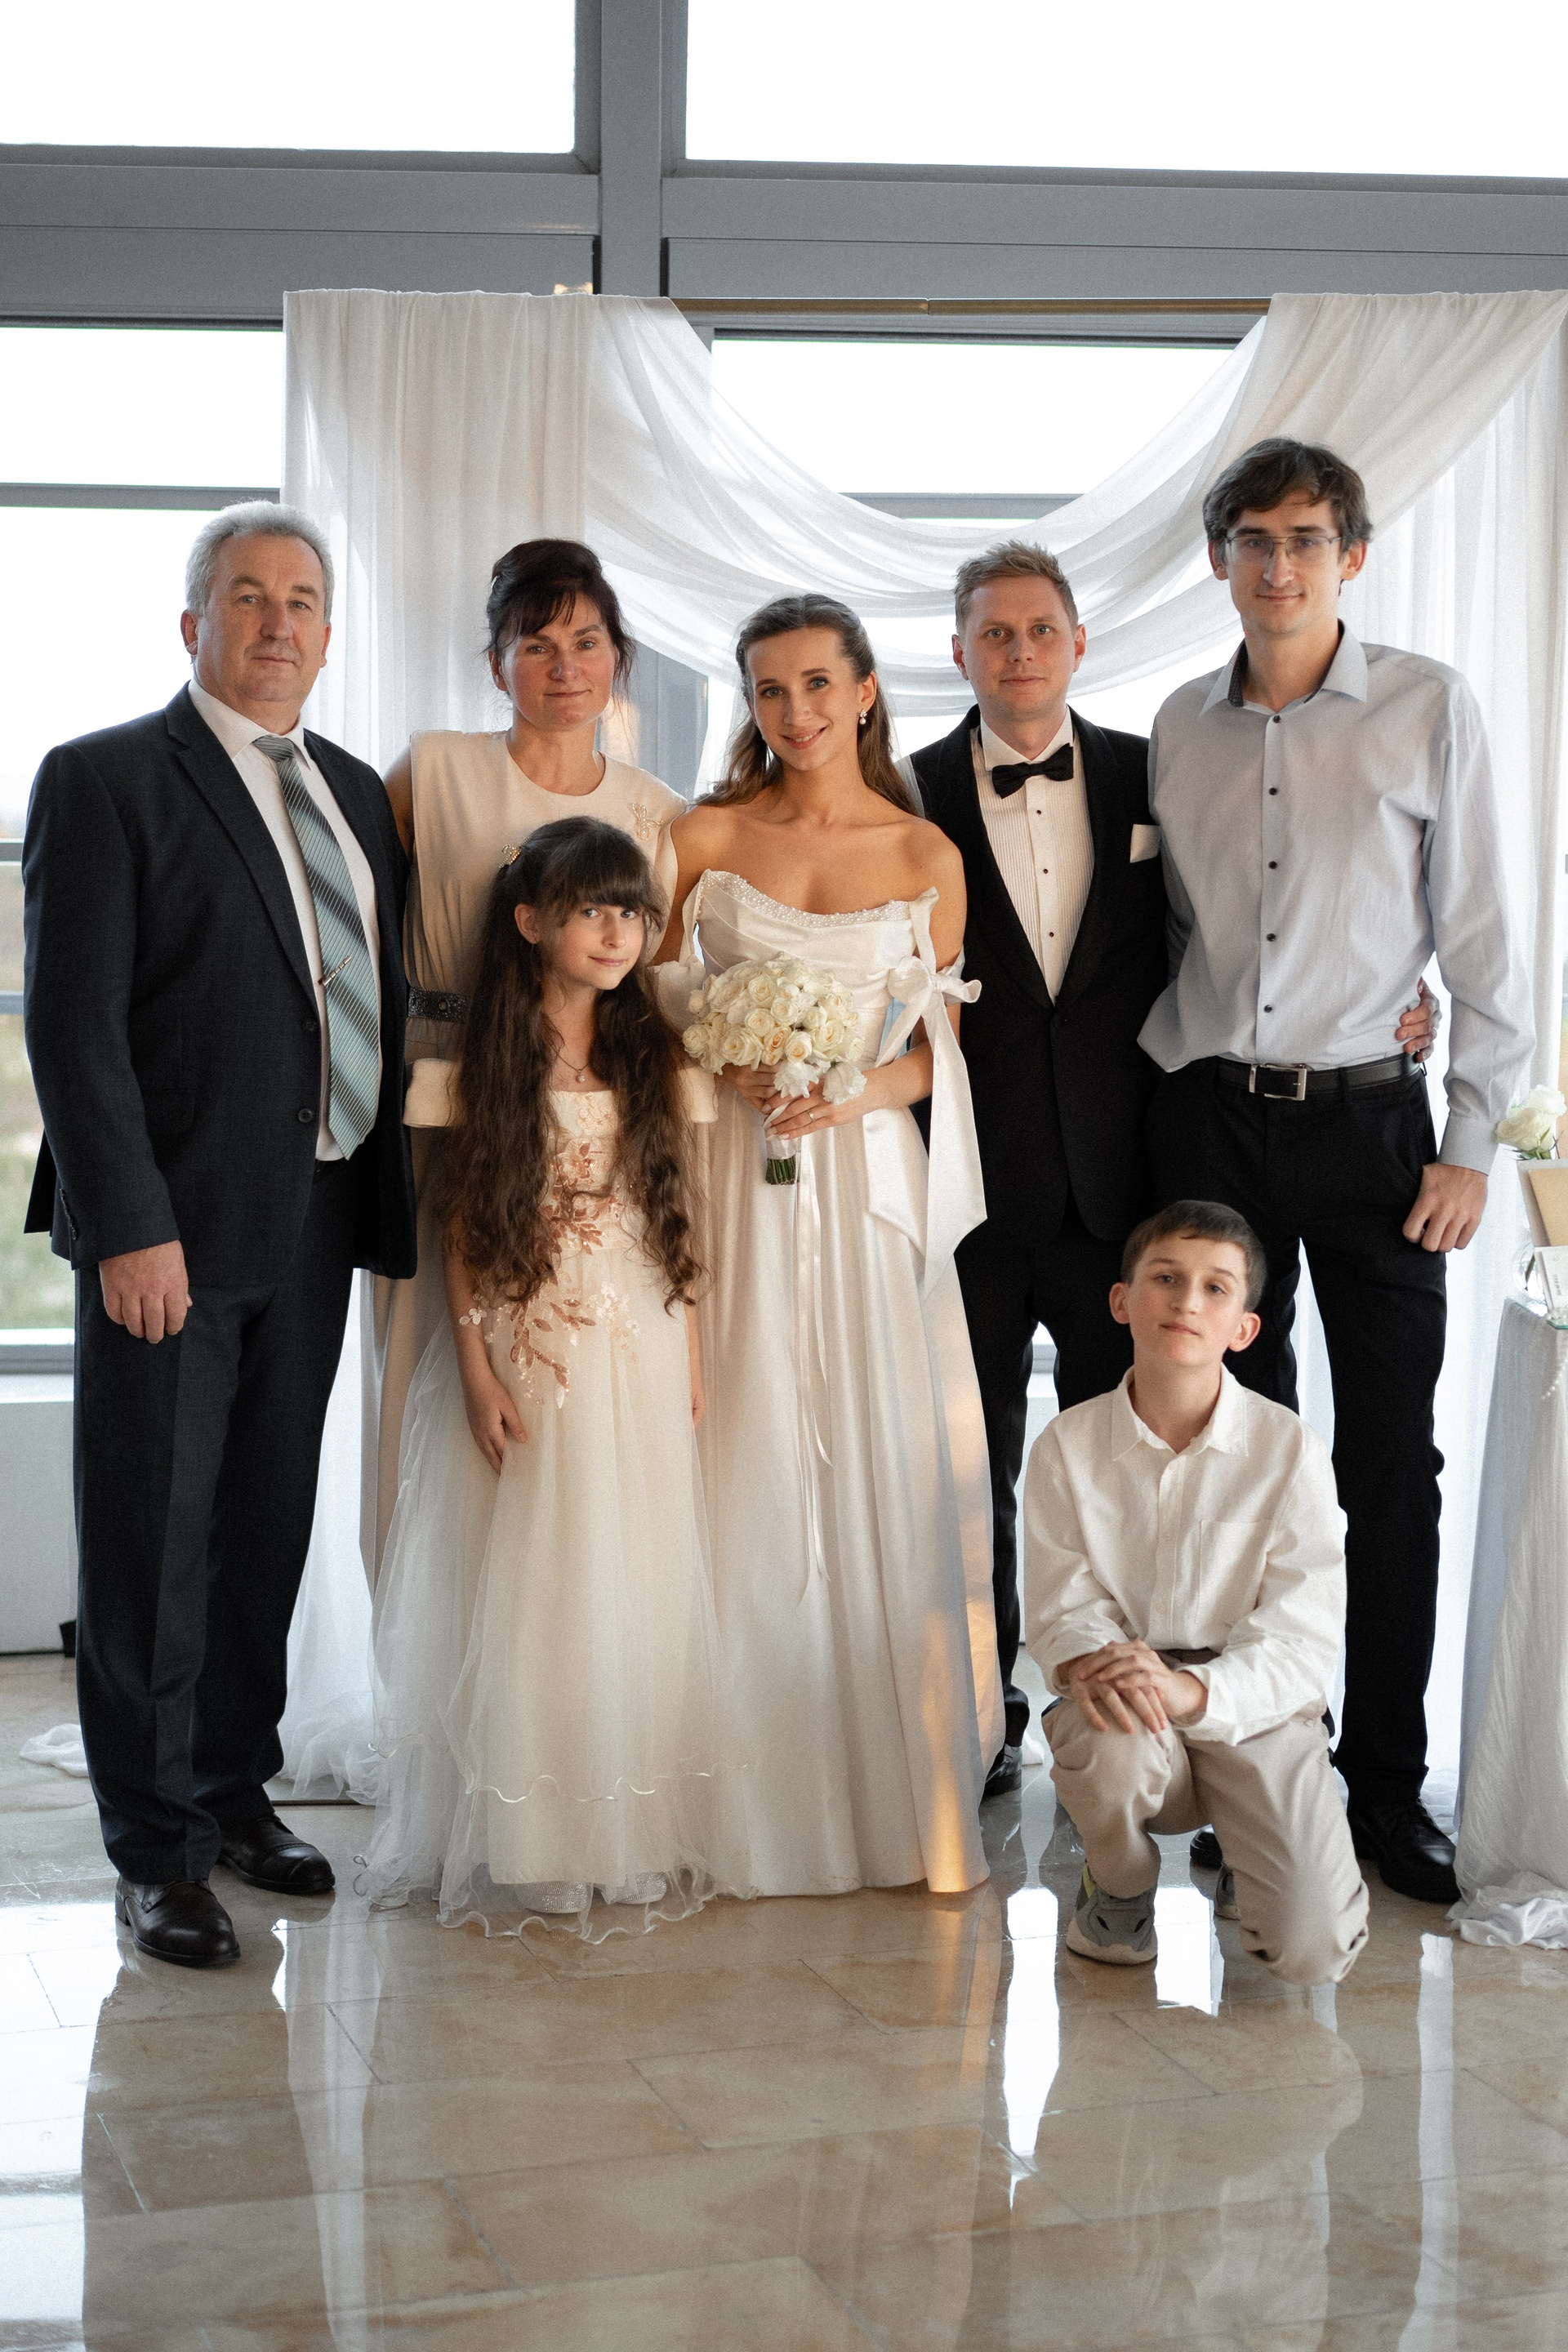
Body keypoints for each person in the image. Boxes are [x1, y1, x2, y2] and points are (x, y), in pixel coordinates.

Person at [908, 541, 1437, 1804]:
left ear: (1079, 643)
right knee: (964, 1473)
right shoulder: (905, 789)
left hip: (1129, 1194)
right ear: (958, 650)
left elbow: (1253, 917)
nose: (1019, 652)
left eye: (1041, 629)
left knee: (1151, 1483)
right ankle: (983, 1725)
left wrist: (1388, 998)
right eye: (994, 633)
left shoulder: (1157, 765)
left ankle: (1188, 1733)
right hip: (967, 1191)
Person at [22, 502, 416, 1969]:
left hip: (317, 1217)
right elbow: (74, 1027)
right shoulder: (106, 777)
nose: (276, 622)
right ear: (194, 624)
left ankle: (234, 1793)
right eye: (247, 597)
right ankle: (156, 1851)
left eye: (301, 600)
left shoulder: (356, 792)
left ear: (329, 631)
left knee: (263, 1526)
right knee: (151, 1541)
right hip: (169, 1239)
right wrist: (129, 1227)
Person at [1142, 437, 1534, 1905]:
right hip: (1214, 1132)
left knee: (1388, 1469)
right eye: (1254, 539)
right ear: (1220, 559)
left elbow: (1487, 943)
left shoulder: (1430, 706)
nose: (1281, 564)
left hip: (1377, 1139)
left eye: (1308, 538)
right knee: (1241, 1466)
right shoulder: (1179, 726)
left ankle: (1383, 1786)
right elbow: (1176, 935)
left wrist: (1471, 1145)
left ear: (1351, 556)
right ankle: (1265, 1775)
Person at [657, 593, 1003, 1897]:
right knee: (736, 1434)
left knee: (872, 1449)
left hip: (860, 1182)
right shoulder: (699, 837)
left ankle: (878, 1791)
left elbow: (936, 1056)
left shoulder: (925, 853)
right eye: (769, 689)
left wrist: (847, 1090)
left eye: (816, 684)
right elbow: (643, 1010)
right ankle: (729, 1799)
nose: (794, 712)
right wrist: (723, 1060)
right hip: (730, 1177)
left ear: (863, 690)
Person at [366, 818, 744, 1935]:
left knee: (630, 1573)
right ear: (531, 921)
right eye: (591, 910)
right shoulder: (491, 1056)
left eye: (632, 911)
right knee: (540, 1574)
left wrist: (686, 1358)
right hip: (532, 1338)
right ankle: (534, 1835)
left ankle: (623, 1829)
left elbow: (668, 1218)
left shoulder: (647, 1051)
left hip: (638, 1335)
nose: (618, 932)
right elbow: (462, 1226)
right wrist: (476, 1368)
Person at [365, 539, 684, 1578]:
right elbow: (352, 921)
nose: (563, 666)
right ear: (497, 661)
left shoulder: (656, 809)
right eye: (535, 643)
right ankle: (425, 1621)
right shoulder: (433, 770)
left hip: (589, 1116)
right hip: (445, 1093)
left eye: (586, 642)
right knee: (432, 1364)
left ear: (618, 656)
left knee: (581, 1382)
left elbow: (658, 976)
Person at [1026, 1200, 1370, 1985]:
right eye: (1166, 1278)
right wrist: (1108, 1668)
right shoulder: (1066, 1445)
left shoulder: (1290, 1449)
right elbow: (1061, 1604)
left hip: (1252, 1702)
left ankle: (1259, 1842)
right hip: (1124, 1692)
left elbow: (1302, 1632)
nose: (1186, 1301)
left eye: (1216, 1288)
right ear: (1122, 1300)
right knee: (1108, 1741)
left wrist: (1192, 1690)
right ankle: (1118, 1883)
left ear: (1244, 1329)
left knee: (1311, 1949)